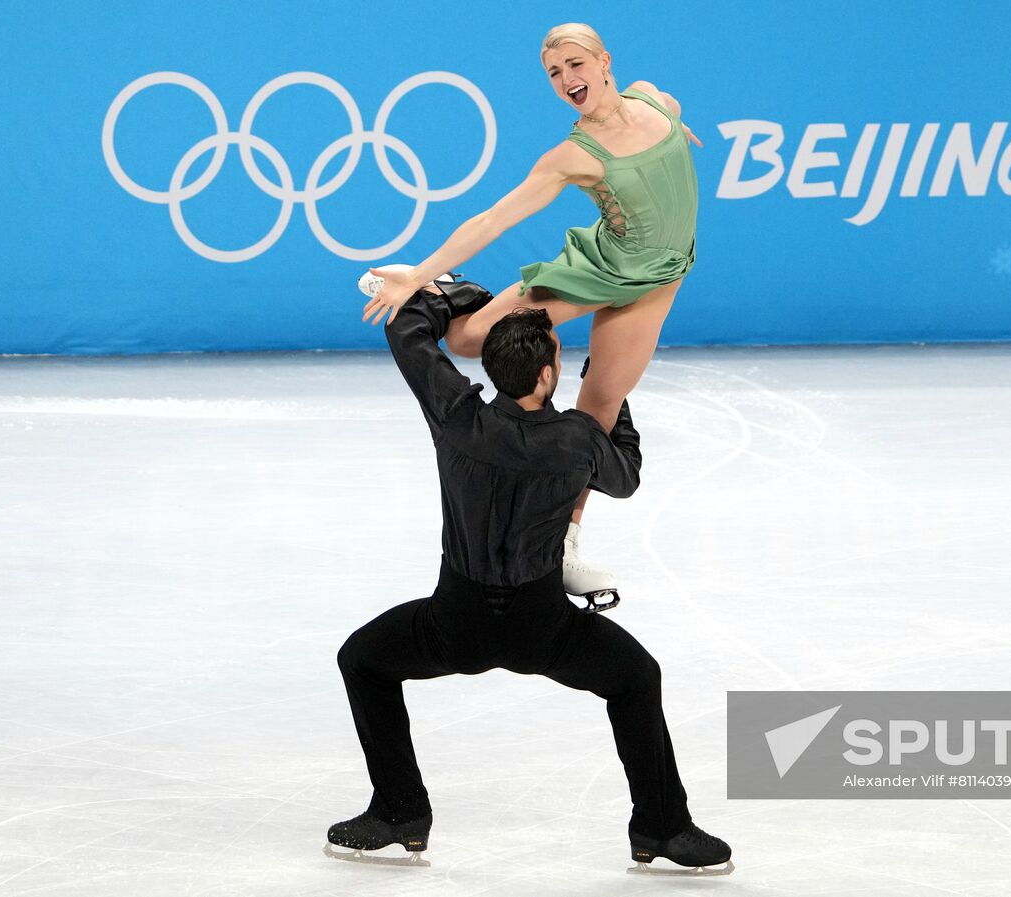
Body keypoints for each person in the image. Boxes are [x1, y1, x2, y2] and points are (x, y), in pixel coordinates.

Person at [326, 282, 732, 875]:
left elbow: (405, 329)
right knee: (637, 678)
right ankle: (662, 827)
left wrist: (459, 295)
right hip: (543, 629)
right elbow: (626, 479)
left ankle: (399, 811)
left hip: (453, 623)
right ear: (547, 376)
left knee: (362, 659)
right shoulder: (576, 440)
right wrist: (612, 397)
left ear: (490, 366)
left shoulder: (456, 414)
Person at [359, 21, 702, 607]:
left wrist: (675, 138)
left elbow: (667, 118)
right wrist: (414, 272)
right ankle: (437, 289)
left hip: (658, 281)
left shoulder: (655, 101)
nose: (567, 79)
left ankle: (562, 546)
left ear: (603, 62)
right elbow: (494, 219)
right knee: (469, 343)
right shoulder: (573, 155)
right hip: (600, 269)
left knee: (599, 408)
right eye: (554, 73)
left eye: (575, 64)